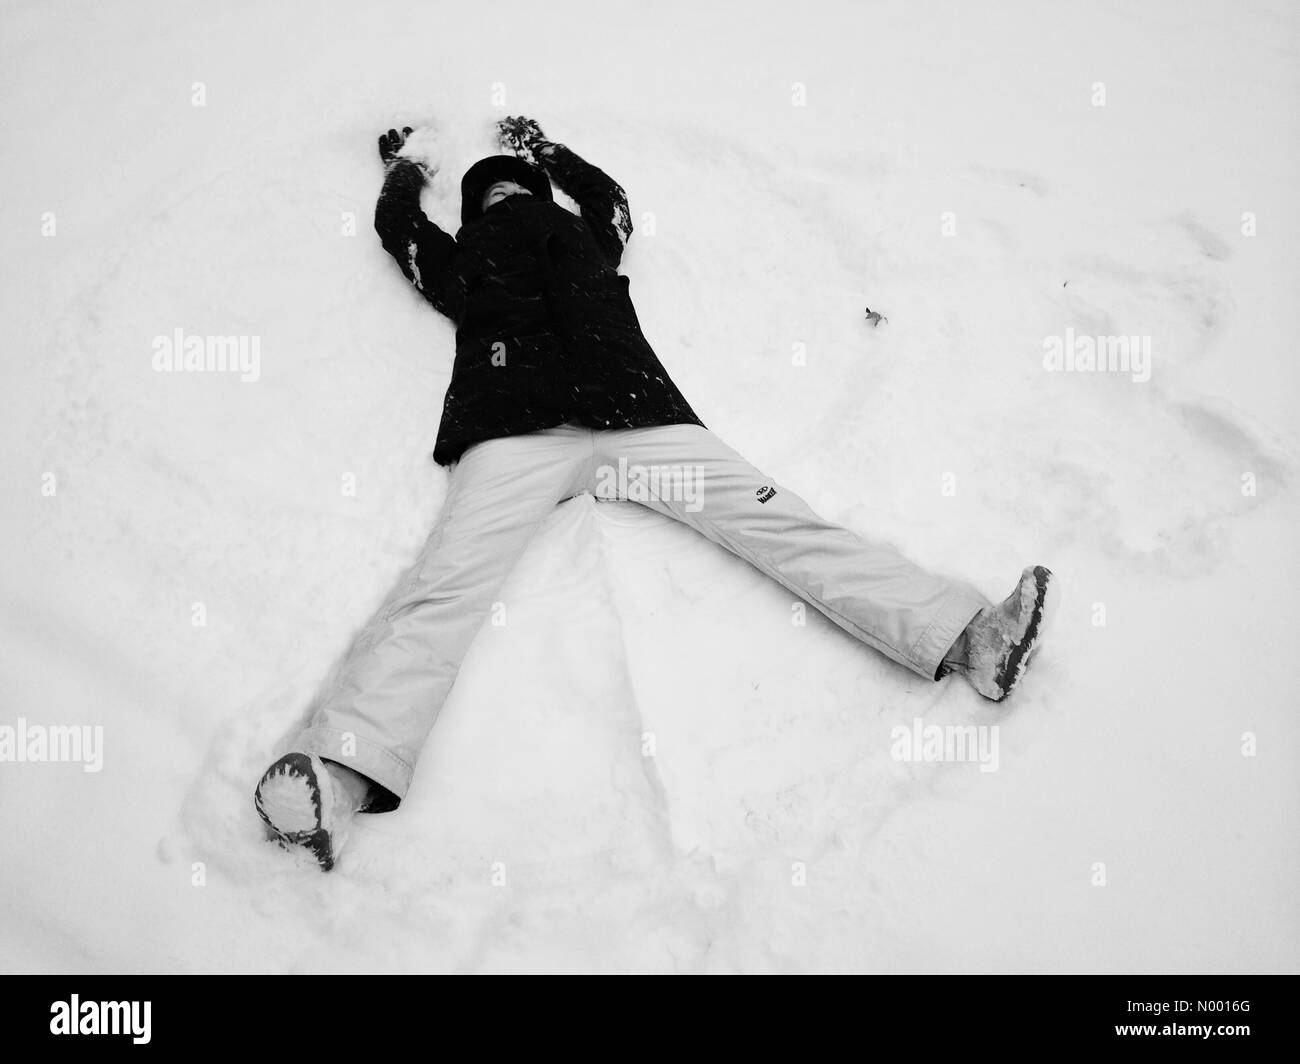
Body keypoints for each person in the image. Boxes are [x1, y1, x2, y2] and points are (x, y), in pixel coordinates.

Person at [253, 116, 1054, 870]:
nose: (500, 191)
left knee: (778, 521)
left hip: (638, 417)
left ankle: (970, 639)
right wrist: (406, 169)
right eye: (485, 190)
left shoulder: (585, 235)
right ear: (471, 212)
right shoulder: (462, 261)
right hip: (513, 433)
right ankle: (340, 778)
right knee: (445, 585)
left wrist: (545, 151)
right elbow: (399, 229)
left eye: (511, 182)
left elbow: (610, 201)